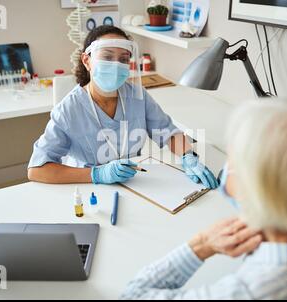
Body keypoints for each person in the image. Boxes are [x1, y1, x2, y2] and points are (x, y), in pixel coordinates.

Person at [121, 98, 287, 299]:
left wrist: (200, 245)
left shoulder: (247, 292)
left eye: (234, 159)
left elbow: (131, 298)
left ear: (257, 186)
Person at [27, 26, 217, 189]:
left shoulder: (138, 96)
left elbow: (169, 133)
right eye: (108, 57)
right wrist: (97, 175)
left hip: (134, 183)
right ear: (87, 61)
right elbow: (37, 170)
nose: (116, 65)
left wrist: (188, 157)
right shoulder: (68, 110)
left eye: (124, 59)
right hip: (87, 189)